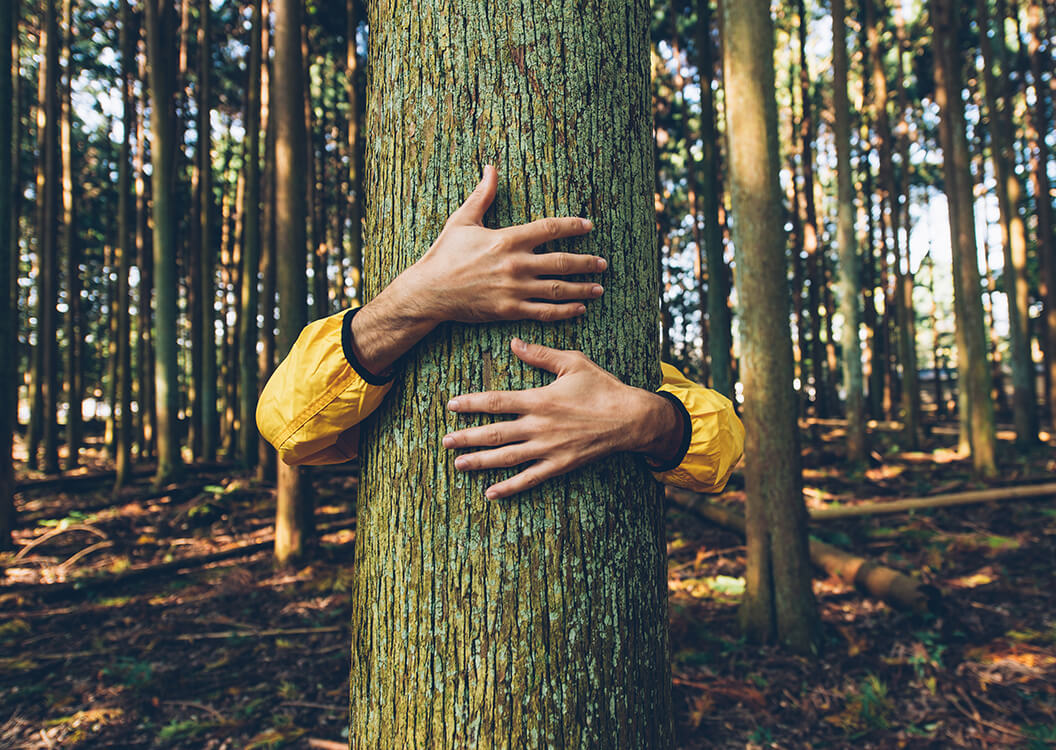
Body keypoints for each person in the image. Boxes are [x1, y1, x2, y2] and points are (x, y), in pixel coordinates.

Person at [256, 166, 744, 499]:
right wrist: (418, 298)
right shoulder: (385, 349)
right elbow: (285, 425)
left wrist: (642, 418)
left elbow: (723, 446)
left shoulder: (621, 366)